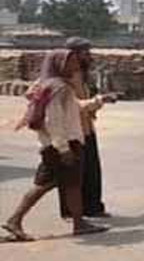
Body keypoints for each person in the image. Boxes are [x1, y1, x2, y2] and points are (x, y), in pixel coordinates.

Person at [3, 50, 110, 240]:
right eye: (71, 62)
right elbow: (54, 121)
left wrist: (99, 101)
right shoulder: (58, 88)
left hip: (57, 145)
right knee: (55, 185)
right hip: (63, 145)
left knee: (61, 184)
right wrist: (63, 149)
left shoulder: (55, 85)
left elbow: (76, 107)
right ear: (59, 64)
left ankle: (77, 223)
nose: (76, 66)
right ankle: (16, 220)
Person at [58, 37, 114, 219]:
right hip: (72, 132)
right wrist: (98, 101)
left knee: (90, 172)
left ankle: (91, 207)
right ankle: (73, 212)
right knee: (72, 175)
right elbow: (75, 105)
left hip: (86, 128)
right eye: (85, 53)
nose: (89, 56)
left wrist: (97, 102)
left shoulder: (81, 73)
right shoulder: (62, 75)